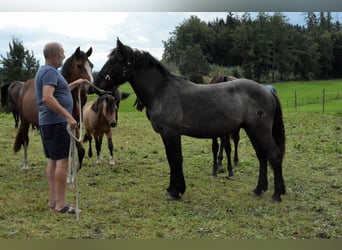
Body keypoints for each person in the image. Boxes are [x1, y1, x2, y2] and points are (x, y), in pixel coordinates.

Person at [34, 42, 88, 214]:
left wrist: (74, 84)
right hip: (57, 123)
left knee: (52, 160)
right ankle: (61, 204)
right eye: (62, 54)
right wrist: (68, 116)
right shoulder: (50, 72)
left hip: (47, 122)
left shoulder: (44, 71)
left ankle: (53, 201)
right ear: (56, 55)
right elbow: (47, 98)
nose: (64, 57)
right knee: (62, 161)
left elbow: (58, 91)